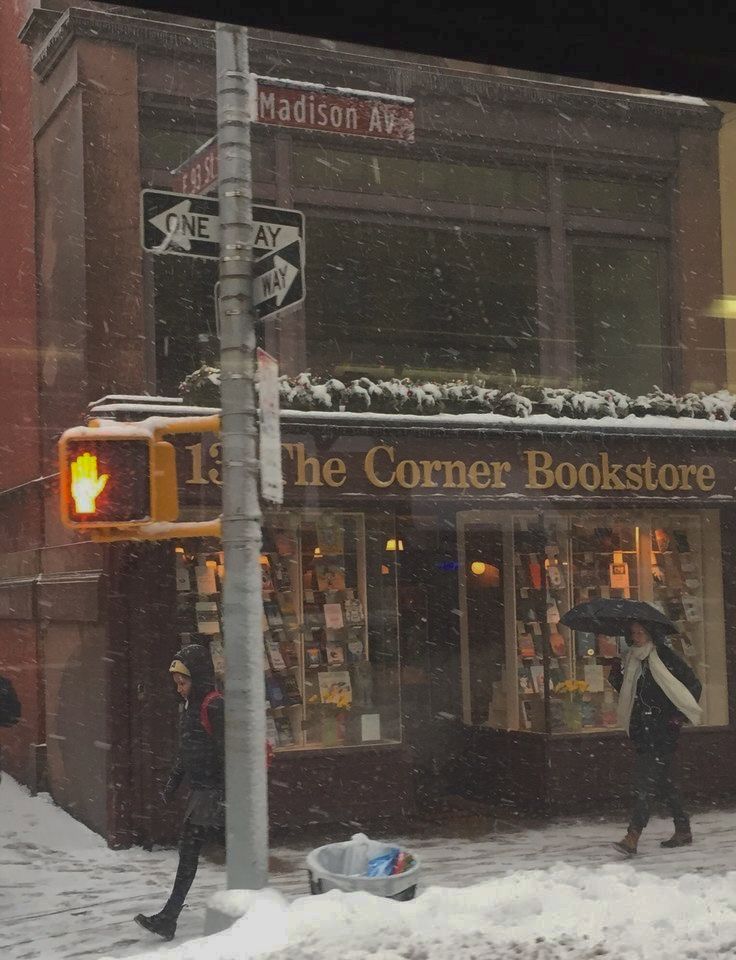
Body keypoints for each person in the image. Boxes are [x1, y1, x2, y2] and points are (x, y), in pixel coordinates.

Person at [135, 644, 224, 941]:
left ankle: (169, 918)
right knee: (192, 853)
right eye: (176, 683)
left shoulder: (213, 705)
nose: (179, 689)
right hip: (202, 794)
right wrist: (173, 781)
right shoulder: (191, 707)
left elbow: (228, 753)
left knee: (191, 854)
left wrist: (225, 794)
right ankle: (169, 917)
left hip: (212, 795)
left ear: (197, 679)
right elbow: (187, 750)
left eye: (183, 682)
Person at [608, 620, 702, 857]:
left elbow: (692, 684)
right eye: (633, 633)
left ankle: (633, 835)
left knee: (644, 784)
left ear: (651, 634)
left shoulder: (665, 658)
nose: (637, 637)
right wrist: (615, 673)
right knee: (665, 782)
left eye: (641, 633)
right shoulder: (632, 660)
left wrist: (678, 716)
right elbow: (630, 693)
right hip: (642, 730)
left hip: (663, 730)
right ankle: (683, 829)